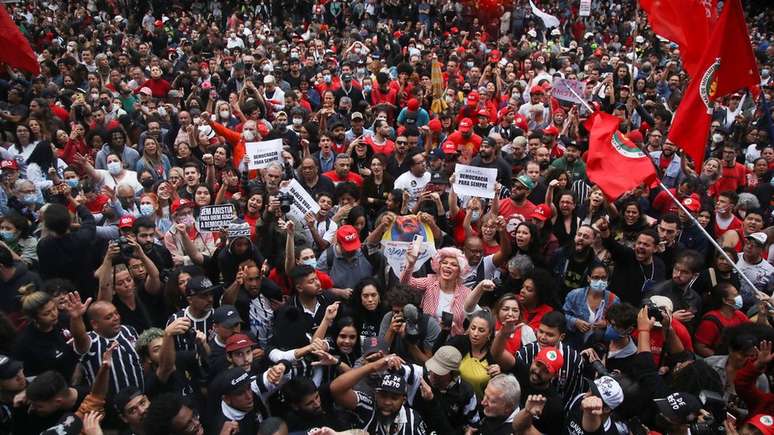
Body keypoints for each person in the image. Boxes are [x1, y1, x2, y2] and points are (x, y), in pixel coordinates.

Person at [329, 354, 427, 435]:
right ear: (376, 394)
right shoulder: (368, 407)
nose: (387, 402)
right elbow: (336, 389)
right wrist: (372, 366)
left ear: (404, 400)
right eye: (383, 396)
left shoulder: (413, 419)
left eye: (394, 398)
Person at [562, 264, 620, 348]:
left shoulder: (614, 300)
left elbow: (619, 325)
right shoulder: (574, 295)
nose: (600, 281)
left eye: (603, 278)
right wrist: (575, 322)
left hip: (598, 344)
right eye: (596, 277)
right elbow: (563, 315)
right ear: (588, 278)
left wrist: (606, 324)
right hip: (574, 341)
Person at [694, 283, 752, 357]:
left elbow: (753, 330)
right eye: (735, 295)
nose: (739, 297)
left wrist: (761, 315)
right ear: (725, 300)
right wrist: (721, 361)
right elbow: (700, 347)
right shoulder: (711, 321)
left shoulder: (739, 314)